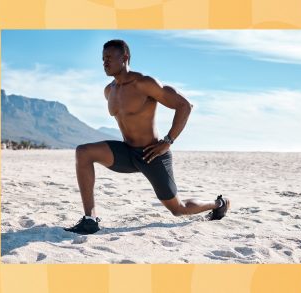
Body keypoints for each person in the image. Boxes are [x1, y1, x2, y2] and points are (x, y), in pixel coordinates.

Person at [64, 39, 230, 234]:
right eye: (102, 59)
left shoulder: (144, 83)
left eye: (109, 58)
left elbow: (185, 105)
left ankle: (218, 203)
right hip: (127, 152)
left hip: (152, 155)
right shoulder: (109, 90)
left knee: (178, 209)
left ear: (124, 57)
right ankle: (89, 219)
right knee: (83, 152)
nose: (104, 63)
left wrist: (168, 141)